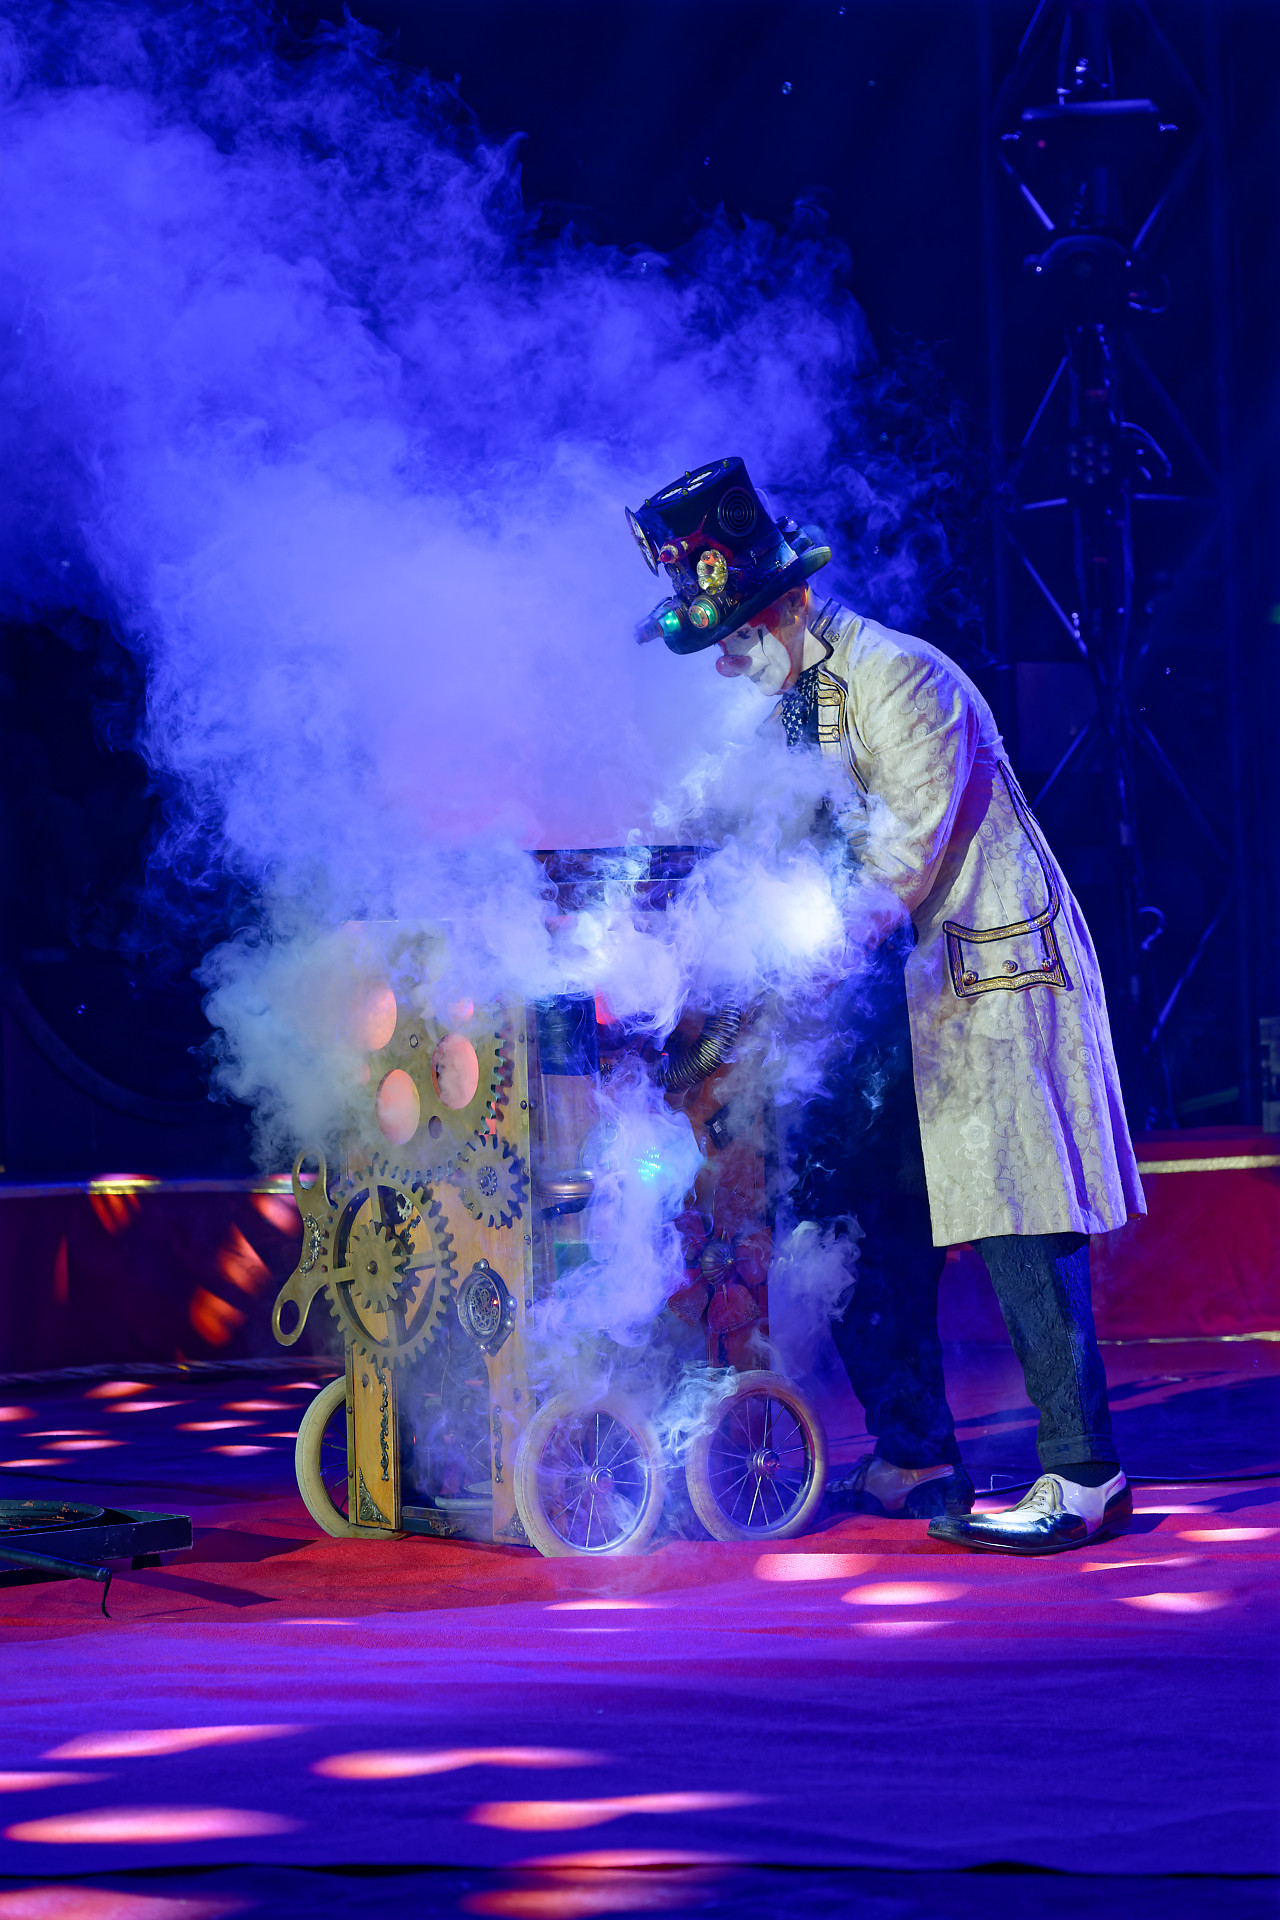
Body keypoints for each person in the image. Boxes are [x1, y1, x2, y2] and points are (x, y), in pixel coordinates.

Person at [626, 457, 1145, 1555]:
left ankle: (1084, 1474)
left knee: (1015, 1213)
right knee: (854, 1205)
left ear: (788, 607)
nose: (722, 662)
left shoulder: (903, 680)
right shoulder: (790, 704)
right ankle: (915, 1453)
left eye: (734, 638)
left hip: (987, 981)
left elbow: (894, 866)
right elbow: (774, 842)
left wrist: (777, 960)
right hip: (895, 1007)